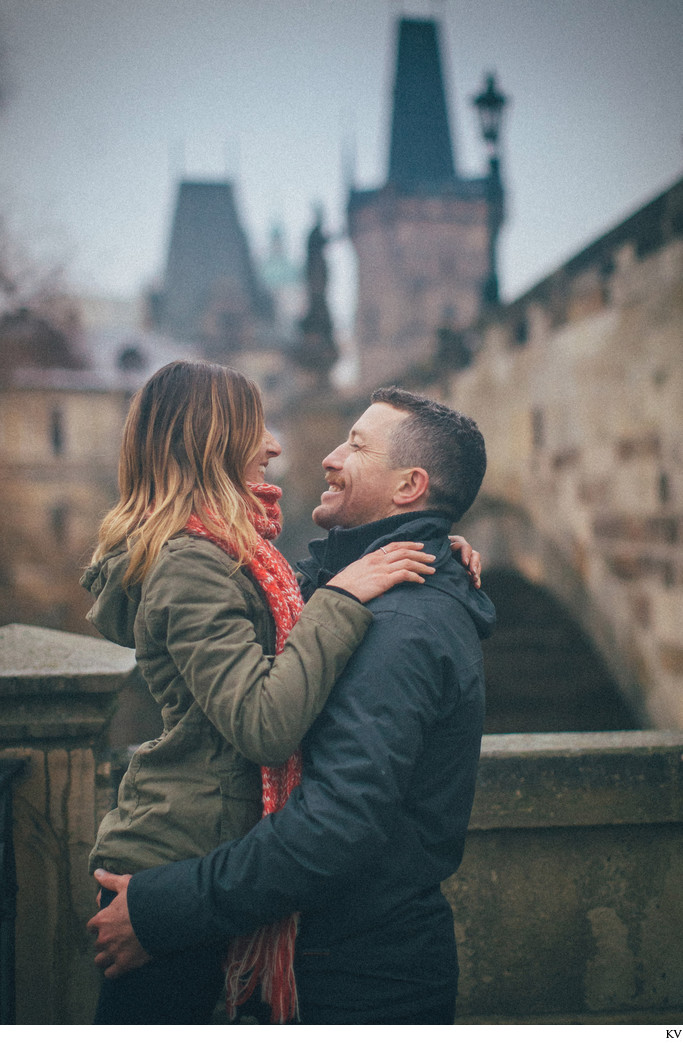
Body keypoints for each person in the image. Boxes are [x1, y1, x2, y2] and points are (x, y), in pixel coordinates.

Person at [88, 385, 495, 1025]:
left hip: (358, 977)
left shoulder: (399, 621)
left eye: (356, 445)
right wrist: (433, 540)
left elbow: (334, 826)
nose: (323, 456)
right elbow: (289, 616)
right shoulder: (362, 588)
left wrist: (164, 909)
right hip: (331, 957)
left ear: (410, 484)